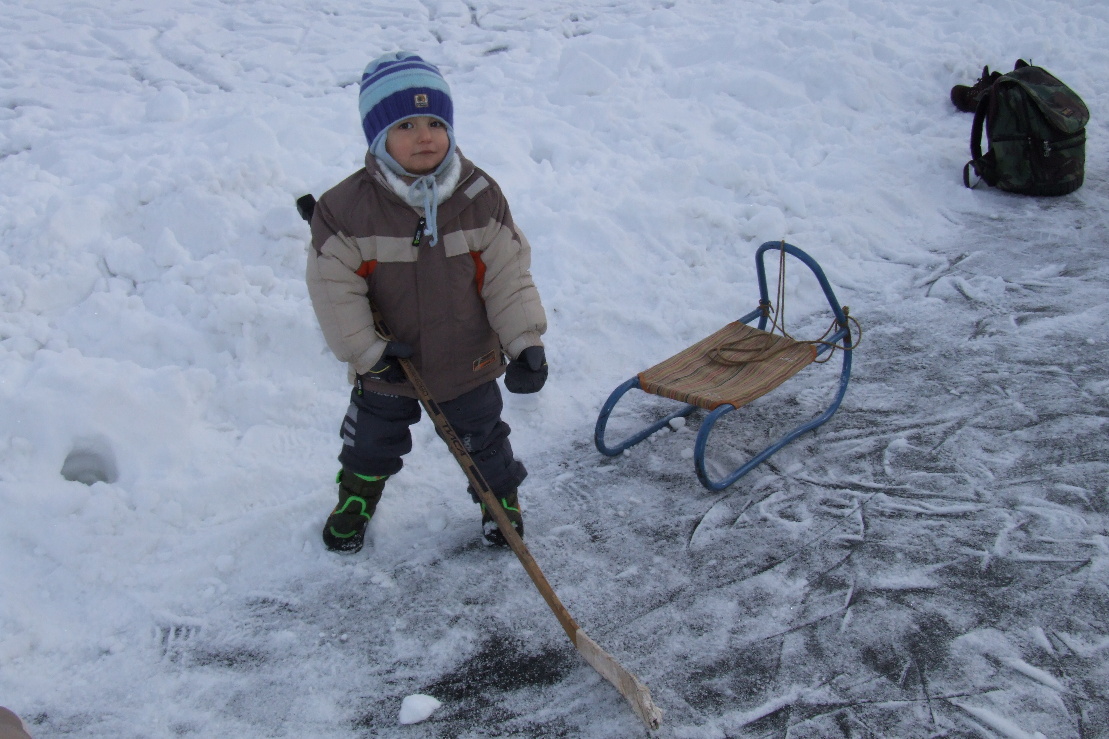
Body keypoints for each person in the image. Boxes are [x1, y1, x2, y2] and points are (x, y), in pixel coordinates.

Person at [305, 51, 548, 553]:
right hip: (389, 364)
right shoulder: (346, 210)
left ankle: (499, 500)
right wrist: (367, 353)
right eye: (407, 124)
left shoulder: (479, 196)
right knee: (368, 443)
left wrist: (525, 342)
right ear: (378, 137)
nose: (425, 136)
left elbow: (507, 275)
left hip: (468, 357)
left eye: (436, 121)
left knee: (484, 441)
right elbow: (334, 289)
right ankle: (356, 498)